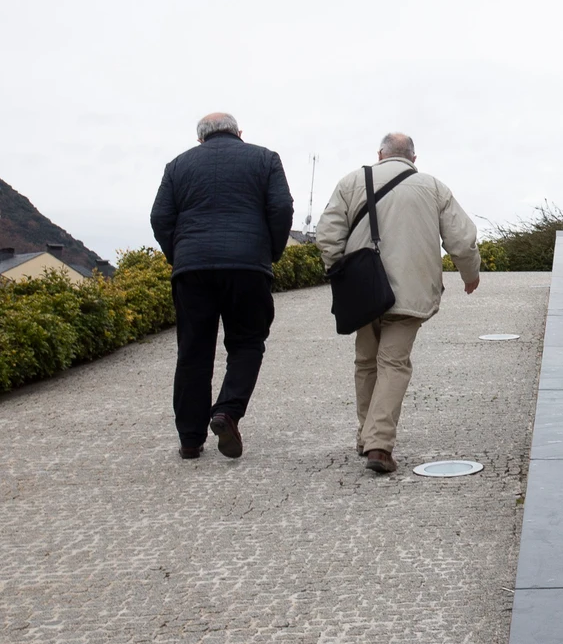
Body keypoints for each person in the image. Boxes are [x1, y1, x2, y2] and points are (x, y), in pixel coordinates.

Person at [315, 132, 480, 474]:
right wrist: (469, 275)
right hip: (410, 292)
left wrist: (340, 273)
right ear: (413, 159)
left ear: (380, 155)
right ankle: (379, 444)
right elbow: (462, 240)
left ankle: (366, 436)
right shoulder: (433, 187)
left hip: (362, 290)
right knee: (393, 363)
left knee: (366, 362)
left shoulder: (351, 182)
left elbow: (327, 235)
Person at [150, 112, 294, 460]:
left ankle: (189, 439)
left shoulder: (177, 166)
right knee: (247, 343)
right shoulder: (265, 158)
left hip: (192, 270)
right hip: (247, 267)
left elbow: (160, 217)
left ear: (201, 139)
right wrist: (269, 252)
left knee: (193, 352)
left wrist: (179, 255)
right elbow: (281, 207)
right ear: (239, 133)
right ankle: (226, 412)